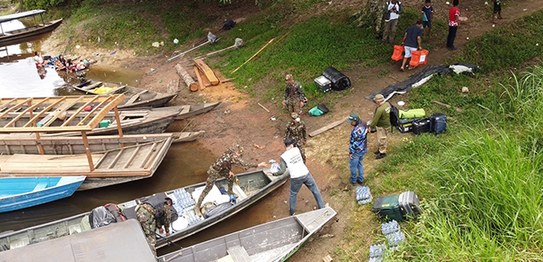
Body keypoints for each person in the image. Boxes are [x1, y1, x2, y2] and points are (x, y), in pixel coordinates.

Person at [195, 145, 266, 215]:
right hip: (214, 172)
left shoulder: (228, 152)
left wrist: (229, 171)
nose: (239, 156)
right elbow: (245, 164)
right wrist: (258, 165)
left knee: (231, 178)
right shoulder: (233, 158)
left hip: (221, 169)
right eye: (239, 154)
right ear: (237, 153)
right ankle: (197, 207)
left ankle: (230, 191)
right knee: (207, 189)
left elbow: (225, 163)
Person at [274, 138, 326, 215]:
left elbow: (282, 171)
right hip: (305, 173)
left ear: (286, 146)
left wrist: (274, 174)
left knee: (293, 194)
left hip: (296, 177)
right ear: (292, 145)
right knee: (315, 190)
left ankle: (292, 212)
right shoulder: (296, 149)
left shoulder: (283, 157)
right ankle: (322, 207)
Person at [368, 94, 391, 159]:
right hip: (387, 124)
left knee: (382, 139)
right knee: (382, 138)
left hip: (381, 126)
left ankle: (382, 152)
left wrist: (371, 127)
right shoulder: (387, 104)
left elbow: (375, 120)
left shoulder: (380, 109)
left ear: (378, 102)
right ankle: (380, 149)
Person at [348, 113, 368, 185]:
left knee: (353, 166)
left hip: (356, 151)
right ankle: (361, 179)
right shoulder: (364, 123)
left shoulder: (356, 131)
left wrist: (351, 152)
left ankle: (353, 180)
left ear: (355, 121)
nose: (350, 123)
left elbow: (354, 143)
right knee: (360, 164)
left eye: (351, 121)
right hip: (364, 148)